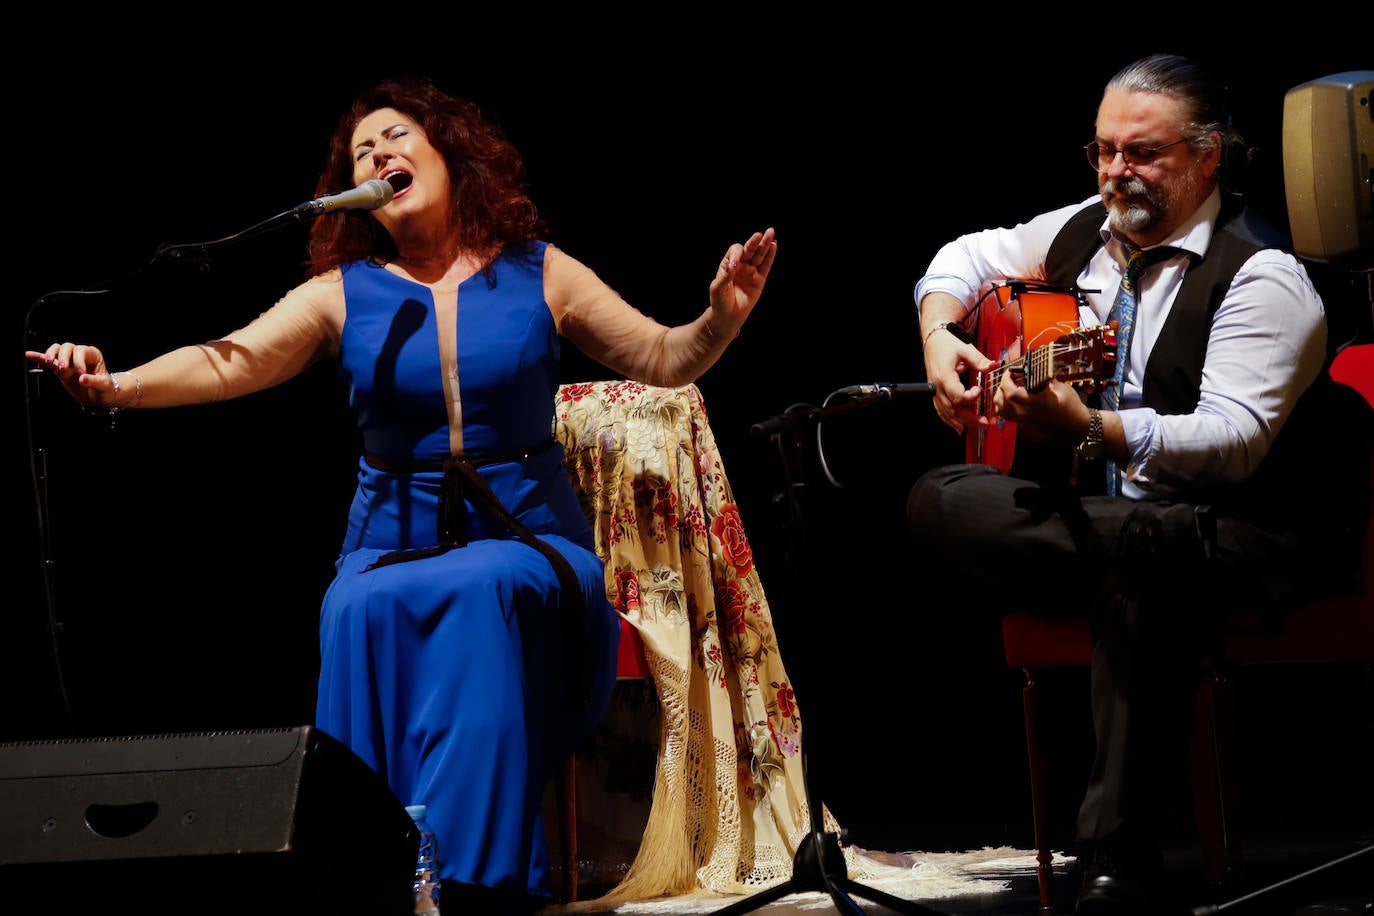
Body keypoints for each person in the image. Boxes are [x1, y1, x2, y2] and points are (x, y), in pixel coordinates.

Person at [26, 75, 777, 915]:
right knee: (353, 606)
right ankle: (367, 867)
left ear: (451, 158)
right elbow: (223, 359)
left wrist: (720, 319)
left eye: (396, 140)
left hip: (529, 545)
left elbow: (665, 358)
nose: (379, 155)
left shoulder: (541, 273)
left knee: (481, 584)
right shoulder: (343, 294)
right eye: (361, 153)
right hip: (388, 543)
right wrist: (115, 386)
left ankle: (473, 880)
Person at [906, 53, 1369, 915]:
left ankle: (1115, 865)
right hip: (1125, 527)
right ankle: (1119, 858)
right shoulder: (1087, 230)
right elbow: (960, 259)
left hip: (1244, 531)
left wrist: (1085, 428)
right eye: (1103, 151)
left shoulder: (1264, 276)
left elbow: (1233, 444)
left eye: (1142, 153)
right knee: (937, 494)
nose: (1117, 172)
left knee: (1146, 572)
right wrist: (941, 339)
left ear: (1207, 157)